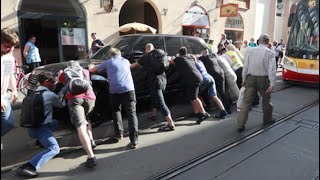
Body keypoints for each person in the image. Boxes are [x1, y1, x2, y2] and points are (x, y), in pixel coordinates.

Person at [17, 72, 65, 178]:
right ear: (46, 82)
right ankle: (29, 166)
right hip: (41, 129)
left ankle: (40, 142)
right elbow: (61, 105)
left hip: (30, 128)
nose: (54, 84)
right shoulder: (50, 95)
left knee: (55, 122)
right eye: (53, 82)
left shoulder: (32, 93)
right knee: (54, 148)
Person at [88, 48, 139, 149]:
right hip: (129, 90)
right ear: (120, 54)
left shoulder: (108, 62)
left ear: (110, 55)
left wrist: (91, 66)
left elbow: (92, 70)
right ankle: (134, 140)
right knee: (132, 113)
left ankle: (119, 134)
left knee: (116, 111)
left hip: (115, 91)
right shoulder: (126, 61)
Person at [58, 60, 97, 168]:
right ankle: (91, 140)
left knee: (80, 126)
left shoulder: (64, 73)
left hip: (75, 99)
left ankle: (91, 157)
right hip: (90, 97)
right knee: (87, 118)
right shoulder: (84, 71)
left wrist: (60, 74)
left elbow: (60, 82)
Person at [130, 43, 175, 131]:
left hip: (155, 83)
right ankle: (154, 114)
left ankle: (171, 124)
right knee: (155, 97)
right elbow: (169, 60)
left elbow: (133, 66)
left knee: (161, 103)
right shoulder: (160, 54)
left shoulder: (145, 57)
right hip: (163, 81)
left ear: (146, 49)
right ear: (153, 48)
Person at [237, 33, 276, 132]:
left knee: (246, 103)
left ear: (259, 40)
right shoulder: (270, 52)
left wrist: (244, 79)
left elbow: (245, 66)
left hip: (250, 79)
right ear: (268, 42)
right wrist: (272, 83)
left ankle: (241, 124)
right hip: (263, 79)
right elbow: (272, 70)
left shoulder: (250, 50)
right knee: (266, 101)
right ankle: (267, 119)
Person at [169, 47, 210, 124]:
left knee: (194, 97)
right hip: (198, 77)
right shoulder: (190, 57)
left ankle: (204, 113)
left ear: (179, 53)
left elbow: (170, 62)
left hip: (192, 79)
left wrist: (174, 57)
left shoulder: (179, 59)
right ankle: (197, 113)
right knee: (191, 96)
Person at [192, 55, 228, 119]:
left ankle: (202, 111)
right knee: (214, 96)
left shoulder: (194, 64)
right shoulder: (200, 62)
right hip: (210, 77)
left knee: (196, 95)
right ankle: (223, 110)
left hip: (204, 79)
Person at [199, 49, 231, 114]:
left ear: (203, 54)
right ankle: (228, 108)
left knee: (204, 91)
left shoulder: (203, 58)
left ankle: (207, 107)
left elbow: (197, 58)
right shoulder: (213, 56)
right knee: (222, 91)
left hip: (213, 75)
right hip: (220, 73)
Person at [1, 28, 19, 137]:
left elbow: (9, 73)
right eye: (7, 46)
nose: (10, 50)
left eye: (13, 47)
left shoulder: (8, 58)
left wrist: (14, 90)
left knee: (8, 123)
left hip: (3, 97)